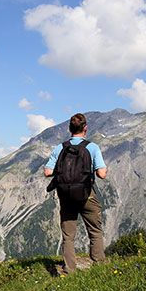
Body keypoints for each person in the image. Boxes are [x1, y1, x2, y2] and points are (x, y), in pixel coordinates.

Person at [44, 113, 107, 274]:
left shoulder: (60, 147)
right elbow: (102, 174)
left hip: (66, 196)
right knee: (95, 230)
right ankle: (99, 266)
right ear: (85, 128)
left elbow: (47, 172)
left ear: (70, 129)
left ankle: (69, 270)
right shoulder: (92, 147)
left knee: (68, 235)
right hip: (86, 195)